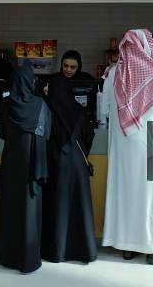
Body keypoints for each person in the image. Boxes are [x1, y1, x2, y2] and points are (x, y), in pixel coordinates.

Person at [101, 29, 153, 266]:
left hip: (122, 142)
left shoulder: (112, 72)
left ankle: (128, 246)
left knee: (126, 192)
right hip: (150, 139)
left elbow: (104, 110)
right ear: (147, 47)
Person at [0, 66, 51, 273]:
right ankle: (28, 257)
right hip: (33, 162)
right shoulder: (40, 104)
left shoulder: (6, 103)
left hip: (11, 162)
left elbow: (2, 132)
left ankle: (8, 256)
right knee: (30, 208)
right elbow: (46, 132)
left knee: (11, 207)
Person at [41, 74, 97, 263]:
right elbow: (89, 135)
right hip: (78, 164)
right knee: (78, 205)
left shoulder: (47, 108)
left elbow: (44, 137)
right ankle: (84, 250)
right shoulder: (79, 110)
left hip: (55, 163)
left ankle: (57, 251)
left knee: (58, 205)